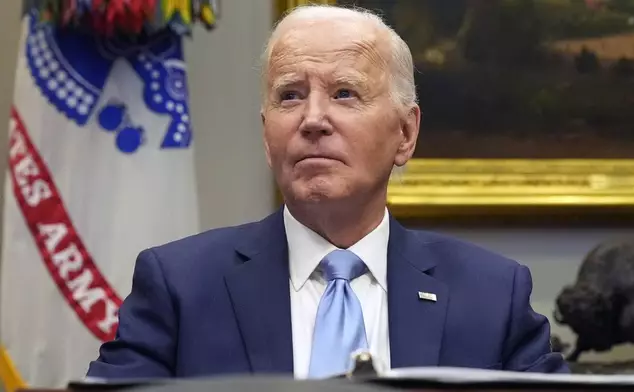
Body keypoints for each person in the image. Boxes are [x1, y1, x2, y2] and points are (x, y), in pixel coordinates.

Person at [86, 4, 568, 379]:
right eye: (290, 95)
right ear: (265, 133)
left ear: (405, 134)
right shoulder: (180, 287)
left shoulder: (491, 295)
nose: (313, 120)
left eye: (344, 94)